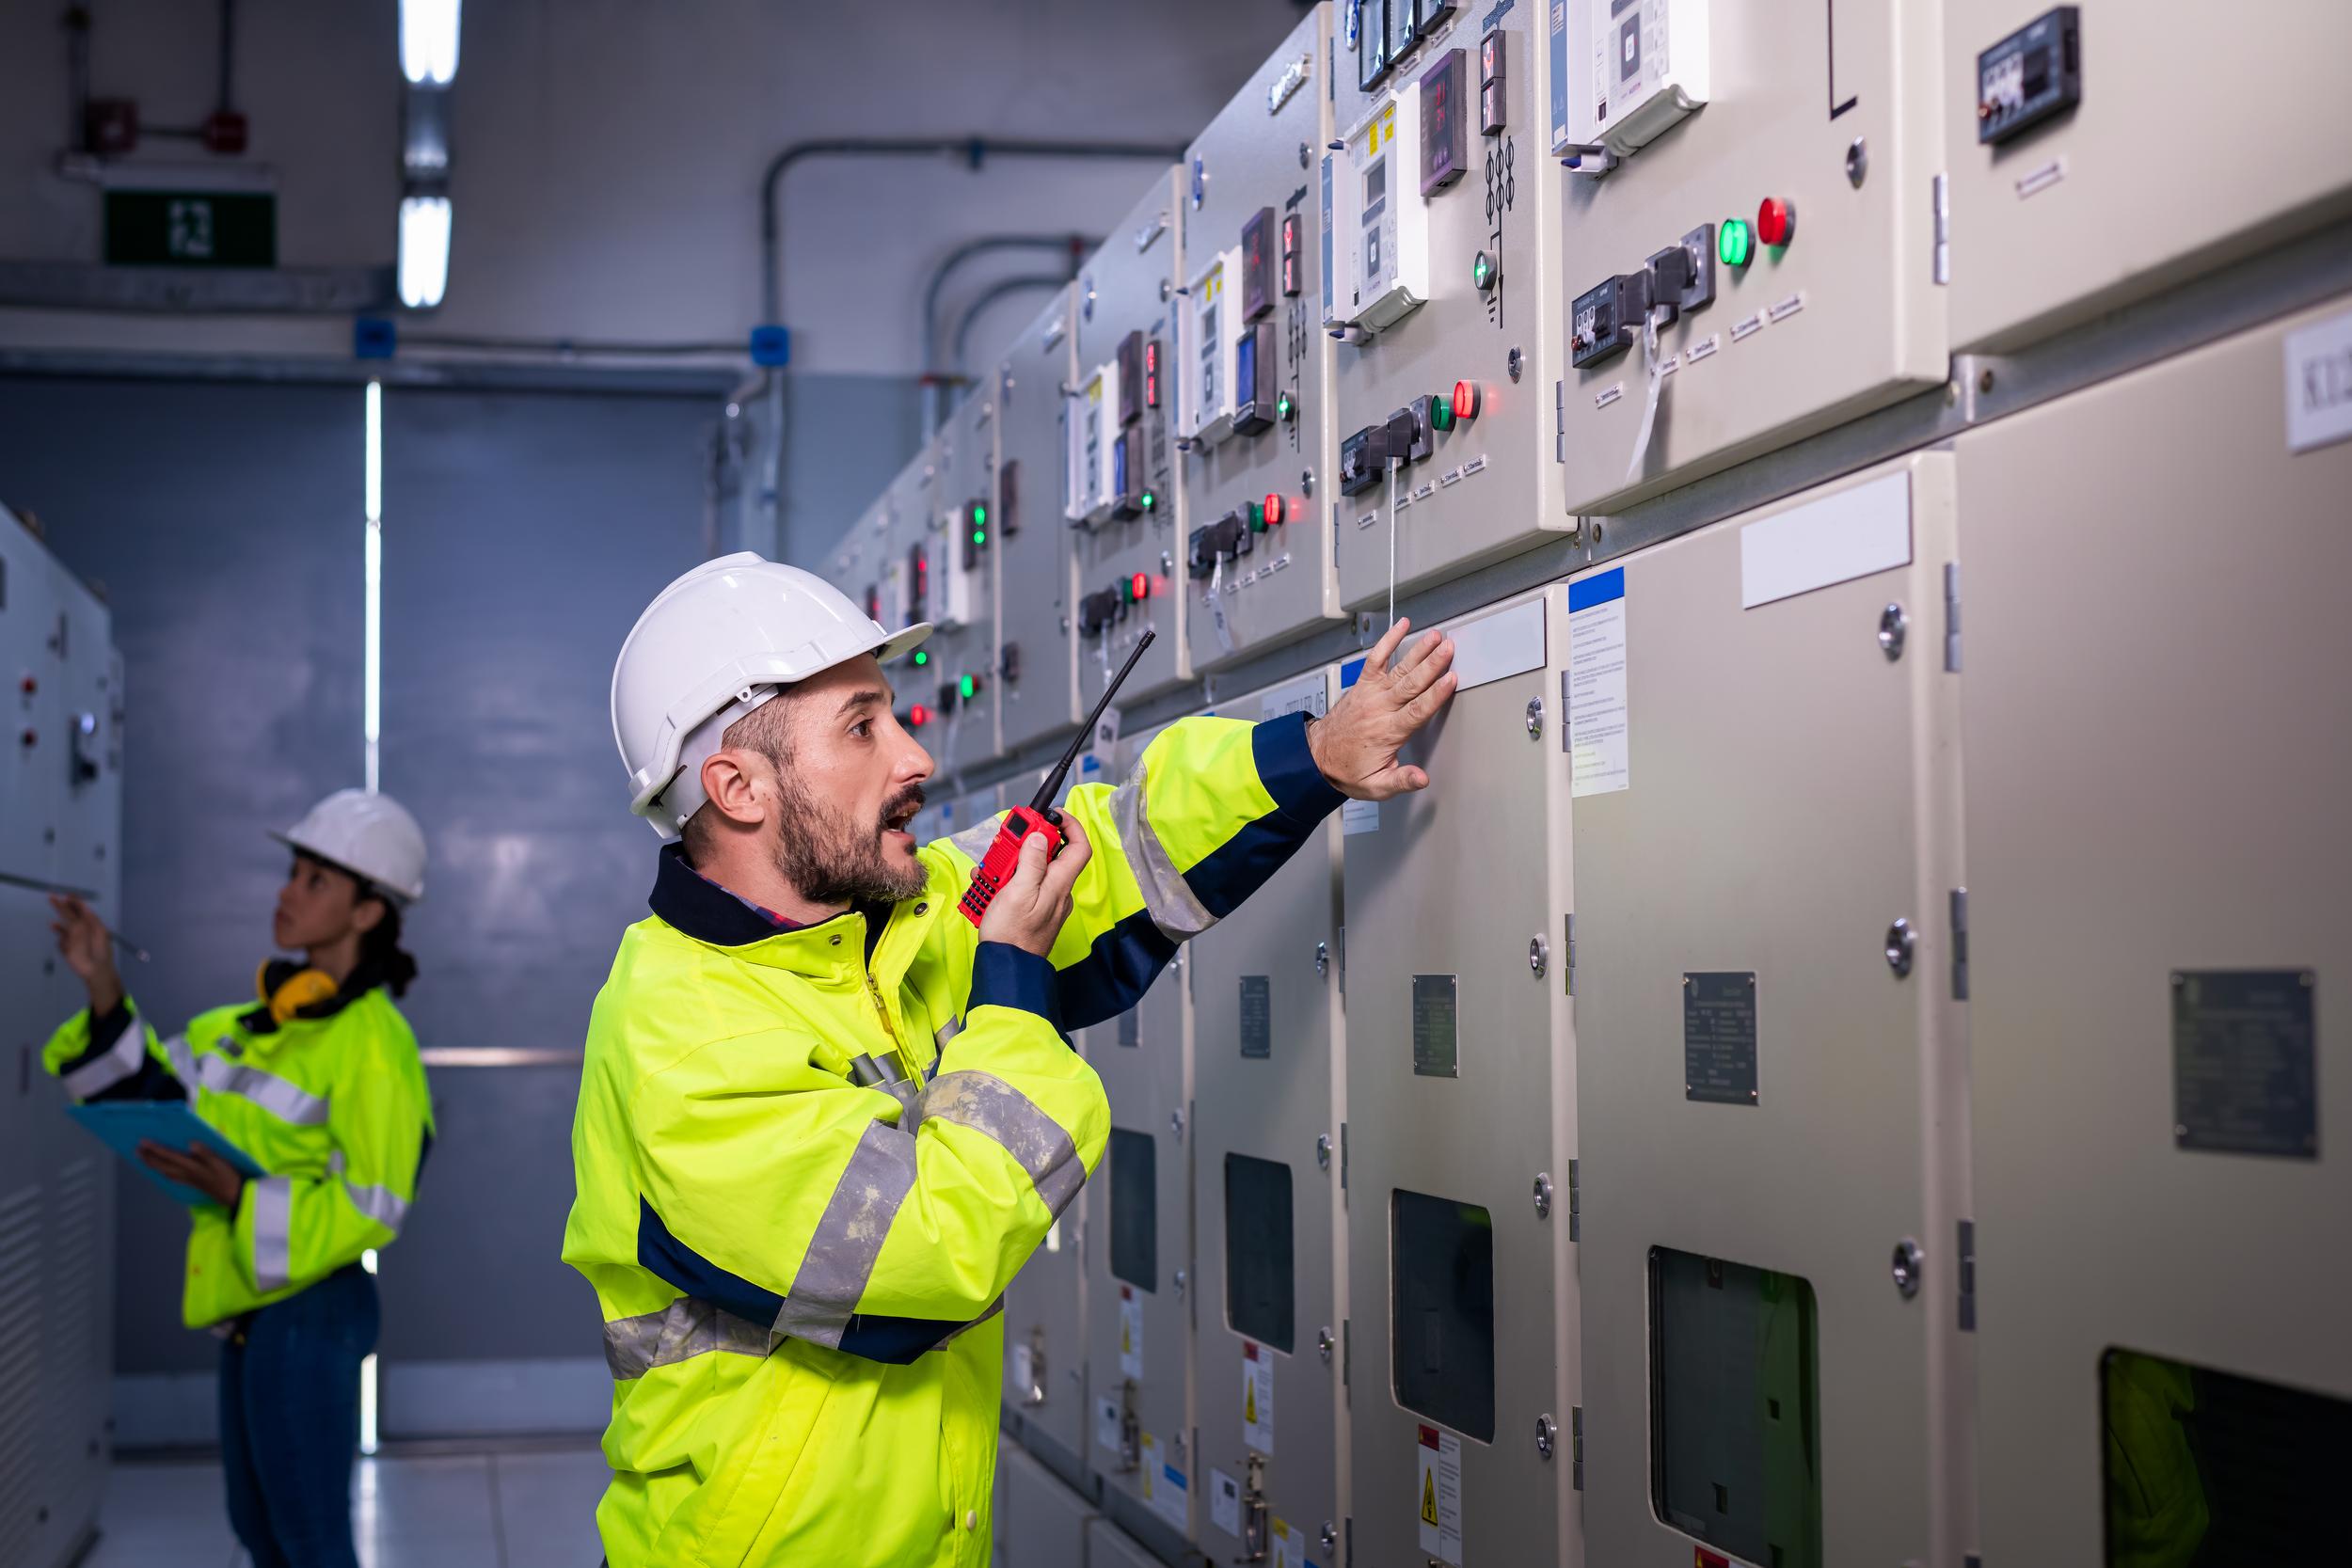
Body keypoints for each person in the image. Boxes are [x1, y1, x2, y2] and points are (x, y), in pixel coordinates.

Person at [564, 552, 1456, 1567]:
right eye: (862, 726)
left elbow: (1118, 846)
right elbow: (932, 1253)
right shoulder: (683, 1037)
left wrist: (1313, 757)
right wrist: (1013, 982)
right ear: (738, 786)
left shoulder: (886, 923)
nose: (913, 759)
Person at [44, 789, 436, 1568]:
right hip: (254, 1310)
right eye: (292, 871)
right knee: (261, 1531)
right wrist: (101, 985)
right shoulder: (246, 1026)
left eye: (315, 880)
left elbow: (376, 1203)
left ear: (367, 912)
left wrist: (239, 1195)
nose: (287, 891)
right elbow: (156, 1095)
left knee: (309, 1541)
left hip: (312, 1310)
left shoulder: (375, 1042)